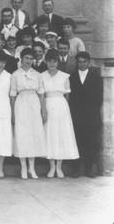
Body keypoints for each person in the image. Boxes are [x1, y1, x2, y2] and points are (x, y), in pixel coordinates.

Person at [41, 49, 79, 178]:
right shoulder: (42, 76)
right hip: (48, 104)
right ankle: (52, 166)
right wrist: (43, 110)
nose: (52, 64)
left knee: (61, 135)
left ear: (58, 62)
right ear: (46, 62)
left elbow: (67, 95)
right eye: (50, 61)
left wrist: (65, 110)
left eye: (54, 61)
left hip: (61, 106)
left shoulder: (64, 76)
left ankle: (59, 167)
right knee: (50, 135)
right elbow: (41, 94)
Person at [10, 48, 47, 179]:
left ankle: (32, 167)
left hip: (34, 103)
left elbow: (41, 94)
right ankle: (23, 168)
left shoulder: (38, 75)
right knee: (22, 134)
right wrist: (13, 113)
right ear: (21, 59)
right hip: (21, 104)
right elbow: (13, 95)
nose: (29, 61)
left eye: (31, 59)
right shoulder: (15, 74)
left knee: (33, 134)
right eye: (26, 58)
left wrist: (43, 110)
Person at [69, 52, 103, 178]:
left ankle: (89, 168)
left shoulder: (96, 77)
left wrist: (91, 113)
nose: (82, 64)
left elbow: (99, 98)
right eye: (79, 62)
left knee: (91, 143)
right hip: (77, 116)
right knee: (77, 142)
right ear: (76, 63)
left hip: (91, 116)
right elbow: (71, 98)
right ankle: (76, 169)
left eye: (84, 62)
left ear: (88, 62)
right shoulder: (72, 77)